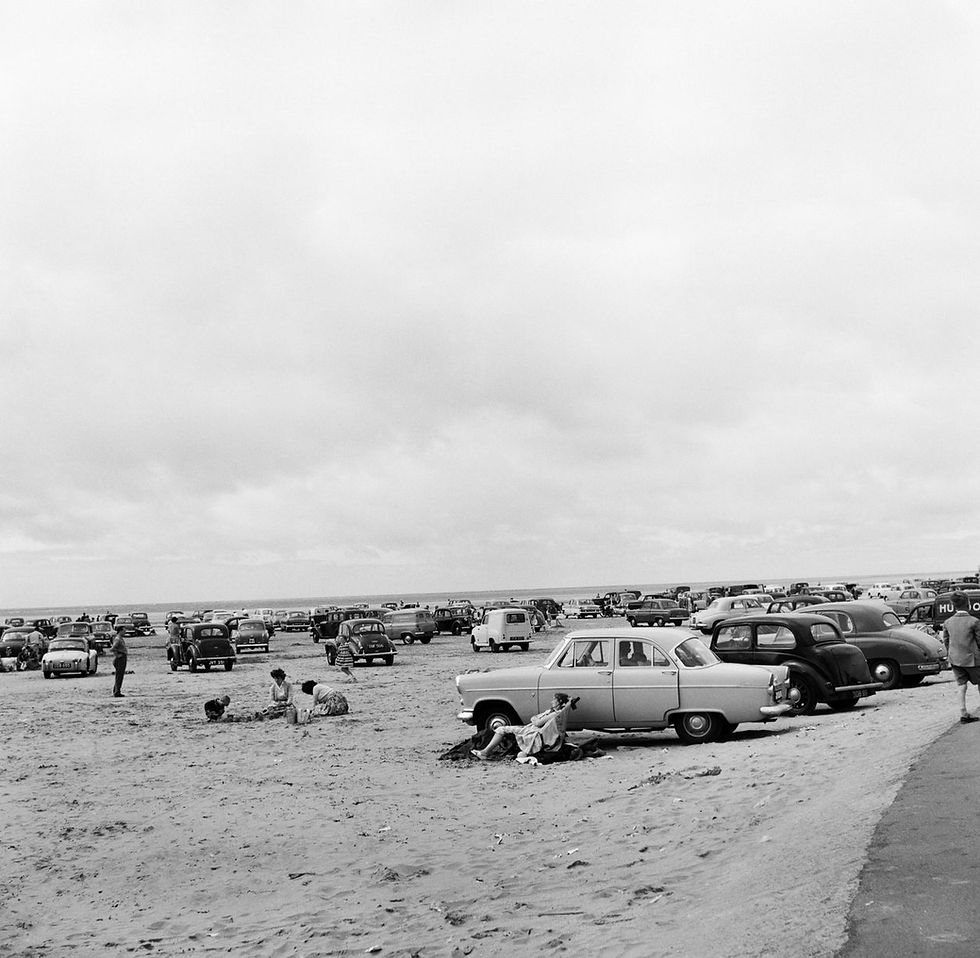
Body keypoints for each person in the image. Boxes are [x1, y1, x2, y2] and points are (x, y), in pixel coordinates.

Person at [471, 693, 578, 760]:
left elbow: (536, 721)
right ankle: (485, 751)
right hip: (534, 729)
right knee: (505, 729)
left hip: (535, 733)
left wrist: (535, 719)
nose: (552, 701)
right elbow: (536, 719)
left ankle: (485, 752)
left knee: (501, 729)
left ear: (559, 703)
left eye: (554, 700)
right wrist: (536, 719)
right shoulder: (554, 712)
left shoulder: (554, 714)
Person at [942, 592, 980, 723]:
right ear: (968, 604)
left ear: (953, 606)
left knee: (961, 685)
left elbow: (946, 641)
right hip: (973, 659)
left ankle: (963, 713)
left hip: (955, 659)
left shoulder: (947, 622)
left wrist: (950, 654)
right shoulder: (974, 622)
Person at [108, 627, 128, 698]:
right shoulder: (118, 639)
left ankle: (116, 690)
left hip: (122, 658)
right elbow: (113, 649)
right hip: (120, 659)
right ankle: (117, 692)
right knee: (119, 676)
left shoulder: (120, 638)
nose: (125, 632)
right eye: (124, 631)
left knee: (119, 675)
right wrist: (117, 655)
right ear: (120, 631)